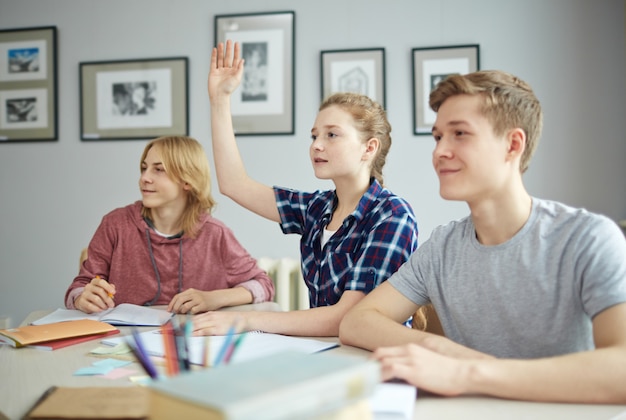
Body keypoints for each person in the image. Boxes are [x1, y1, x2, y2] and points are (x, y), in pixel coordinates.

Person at [339, 70, 626, 403]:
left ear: (513, 144)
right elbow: (357, 322)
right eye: (437, 137)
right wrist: (438, 349)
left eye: (460, 133)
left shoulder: (589, 239)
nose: (440, 151)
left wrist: (466, 372)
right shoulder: (442, 248)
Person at [194, 40, 418, 337]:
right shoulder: (318, 208)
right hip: (324, 351)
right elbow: (234, 185)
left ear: (369, 148)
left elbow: (348, 318)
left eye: (332, 135)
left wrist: (245, 320)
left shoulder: (392, 216)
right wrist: (220, 100)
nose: (317, 145)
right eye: (314, 136)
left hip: (370, 362)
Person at [65, 135, 275, 314]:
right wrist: (81, 298)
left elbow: (263, 286)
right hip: (124, 344)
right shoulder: (115, 225)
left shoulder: (215, 234)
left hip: (192, 346)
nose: (144, 178)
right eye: (144, 168)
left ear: (187, 180)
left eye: (158, 170)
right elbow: (78, 288)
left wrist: (213, 299)